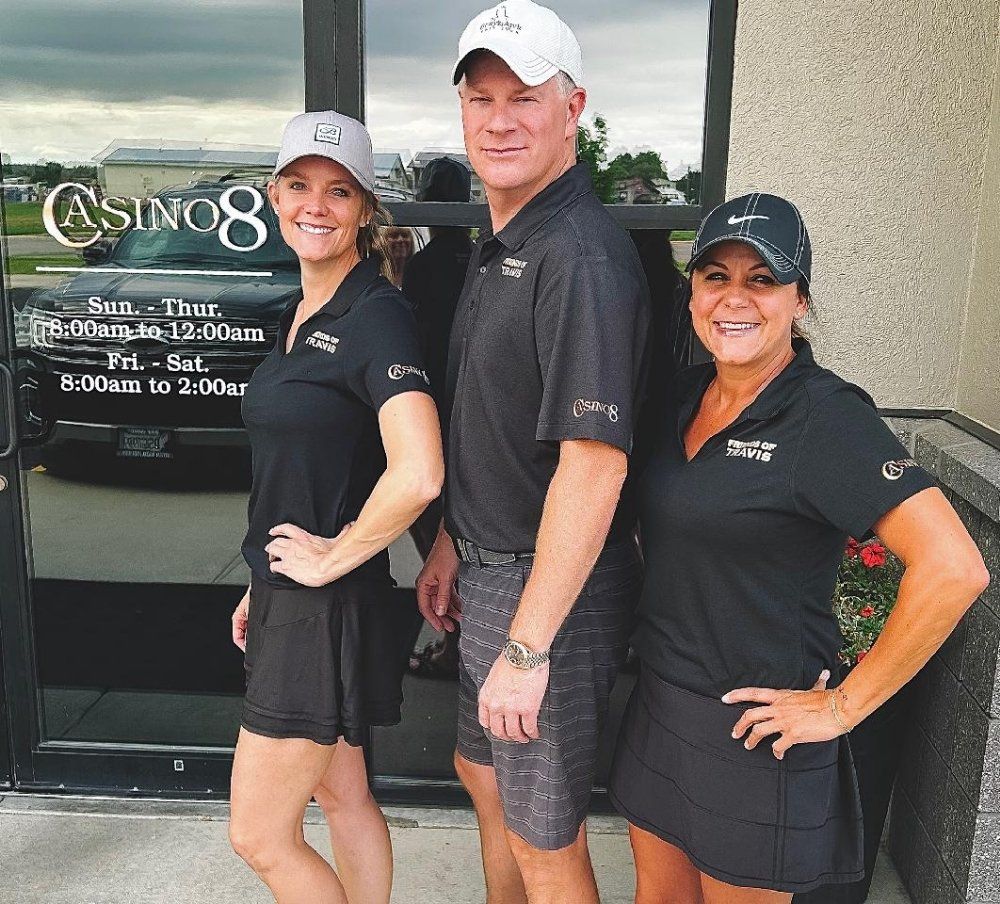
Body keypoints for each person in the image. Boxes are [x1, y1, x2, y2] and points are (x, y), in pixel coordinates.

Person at [608, 192, 989, 903]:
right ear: (691, 291)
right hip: (661, 704)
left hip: (756, 734)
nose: (734, 298)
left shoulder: (826, 418)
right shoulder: (683, 396)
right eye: (715, 276)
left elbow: (955, 568)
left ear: (800, 300)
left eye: (762, 279)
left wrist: (844, 707)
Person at [415, 3, 650, 902]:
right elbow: (496, 420)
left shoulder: (578, 255)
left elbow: (595, 463)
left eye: (525, 97)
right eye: (481, 100)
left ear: (573, 107)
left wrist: (527, 647)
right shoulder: (505, 238)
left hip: (548, 592)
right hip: (488, 570)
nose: (500, 120)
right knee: (484, 780)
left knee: (546, 838)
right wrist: (449, 541)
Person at [227, 110, 443, 904]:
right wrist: (264, 577)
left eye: (339, 191)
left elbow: (419, 471)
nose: (315, 205)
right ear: (274, 196)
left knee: (257, 834)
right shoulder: (304, 309)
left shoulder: (373, 315)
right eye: (299, 186)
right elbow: (308, 469)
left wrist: (330, 554)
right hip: (297, 598)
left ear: (364, 209)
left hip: (318, 609)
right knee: (340, 795)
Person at [402, 156, 474, 679]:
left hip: (435, 412)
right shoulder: (475, 260)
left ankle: (455, 646)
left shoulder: (429, 267)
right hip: (466, 413)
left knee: (439, 537)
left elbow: (417, 345)